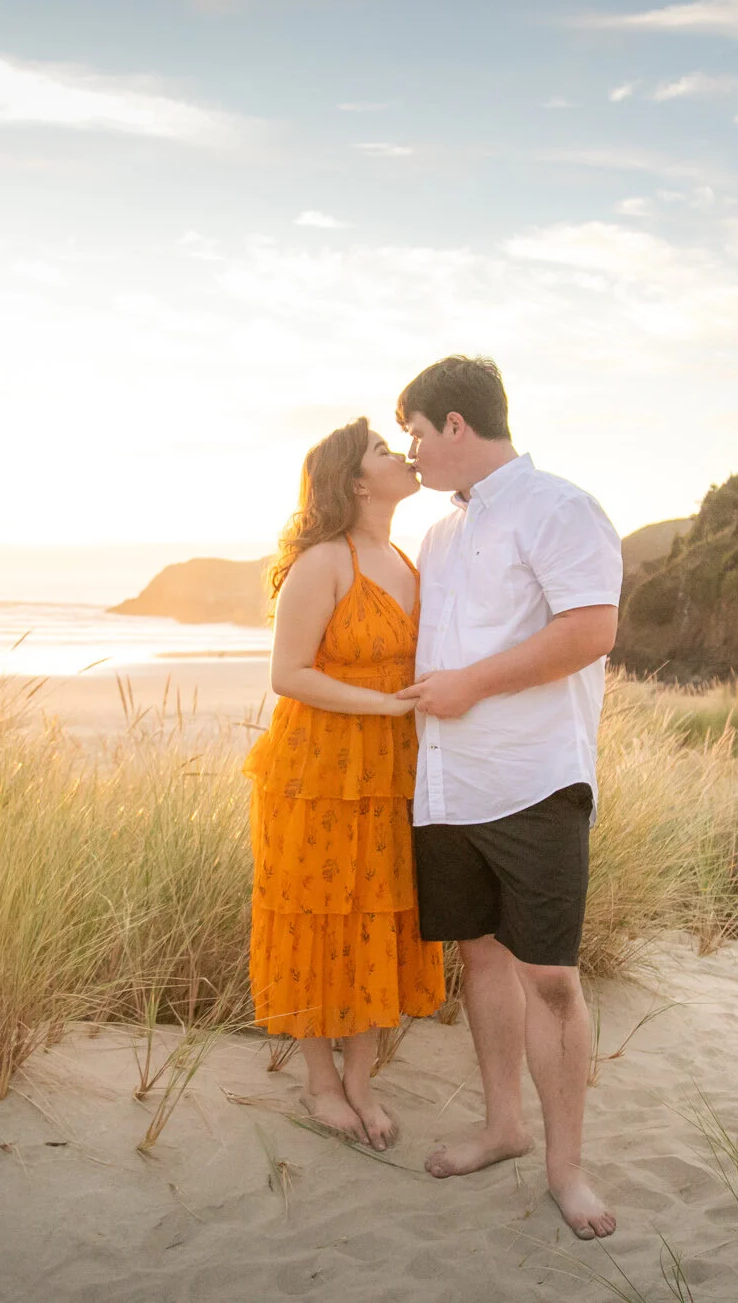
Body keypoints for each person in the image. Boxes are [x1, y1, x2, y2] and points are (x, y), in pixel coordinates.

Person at [393, 355, 623, 1240]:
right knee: (481, 961)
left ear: (456, 425)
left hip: (534, 780)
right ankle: (502, 1127)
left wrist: (472, 686)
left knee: (552, 979)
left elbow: (590, 629)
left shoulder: (560, 507)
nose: (411, 452)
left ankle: (568, 1170)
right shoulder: (441, 535)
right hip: (449, 784)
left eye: (417, 432)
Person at [243, 417, 446, 1150]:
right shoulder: (324, 562)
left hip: (392, 766)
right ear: (357, 481)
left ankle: (362, 1080)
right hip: (319, 768)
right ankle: (321, 1082)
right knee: (317, 910)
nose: (402, 456)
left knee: (380, 912)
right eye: (384, 450)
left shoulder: (405, 557)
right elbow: (288, 674)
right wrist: (387, 704)